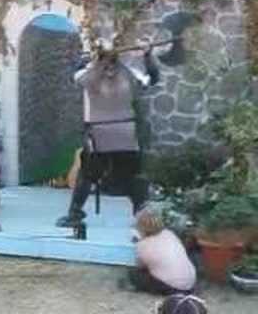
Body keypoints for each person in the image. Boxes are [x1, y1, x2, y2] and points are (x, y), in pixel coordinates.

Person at [56, 37, 160, 227]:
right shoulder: (98, 73)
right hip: (108, 133)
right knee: (97, 174)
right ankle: (76, 213)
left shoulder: (122, 73)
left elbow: (152, 79)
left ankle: (141, 219)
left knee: (121, 176)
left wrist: (147, 55)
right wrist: (146, 55)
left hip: (114, 131)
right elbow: (152, 78)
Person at [129, 209, 197, 295]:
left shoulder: (142, 245)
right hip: (190, 284)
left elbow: (141, 266)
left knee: (134, 274)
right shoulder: (169, 234)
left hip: (173, 287)